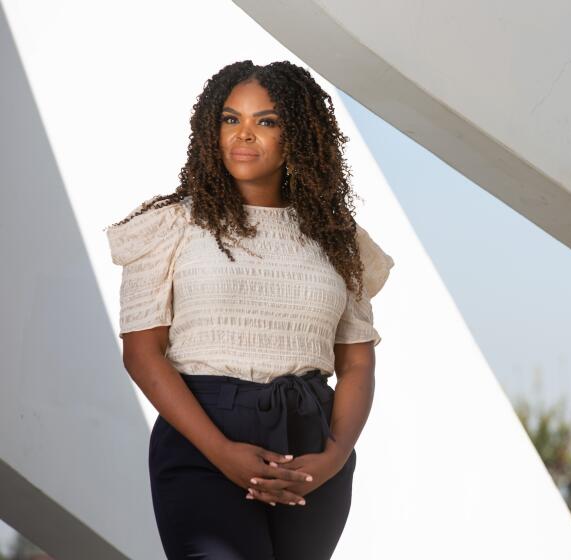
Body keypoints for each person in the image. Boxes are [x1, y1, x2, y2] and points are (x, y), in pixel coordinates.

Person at [104, 60, 394, 559]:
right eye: (230, 119)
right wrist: (222, 453)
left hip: (310, 442)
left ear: (298, 136)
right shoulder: (172, 227)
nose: (243, 135)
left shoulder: (337, 239)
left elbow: (357, 362)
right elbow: (142, 353)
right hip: (203, 432)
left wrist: (333, 456)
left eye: (266, 121)